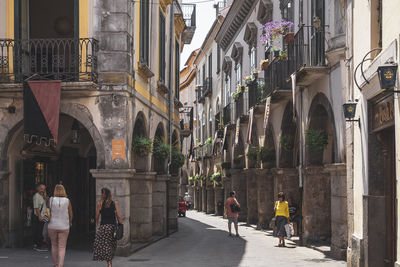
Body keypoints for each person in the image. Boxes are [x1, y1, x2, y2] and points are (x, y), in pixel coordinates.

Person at [93, 188, 122, 267]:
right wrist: (120, 223)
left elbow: (97, 216)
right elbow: (119, 216)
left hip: (103, 228)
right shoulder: (114, 203)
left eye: (101, 193)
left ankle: (109, 263)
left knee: (105, 245)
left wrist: (97, 223)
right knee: (112, 245)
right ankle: (109, 262)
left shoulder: (100, 203)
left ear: (103, 195)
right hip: (112, 228)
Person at [47, 184, 73, 267]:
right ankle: (60, 265)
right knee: (62, 247)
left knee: (54, 245)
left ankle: (55, 264)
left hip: (52, 225)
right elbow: (71, 213)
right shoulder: (67, 200)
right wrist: (70, 222)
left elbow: (47, 210)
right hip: (64, 226)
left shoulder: (51, 199)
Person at [32, 183, 48, 251]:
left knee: (42, 230)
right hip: (39, 216)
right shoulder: (36, 196)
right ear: (38, 188)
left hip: (44, 215)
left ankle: (40, 244)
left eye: (44, 189)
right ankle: (38, 245)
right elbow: (36, 207)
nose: (42, 190)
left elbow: (47, 205)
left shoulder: (43, 196)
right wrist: (39, 216)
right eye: (41, 189)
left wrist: (45, 197)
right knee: (39, 230)